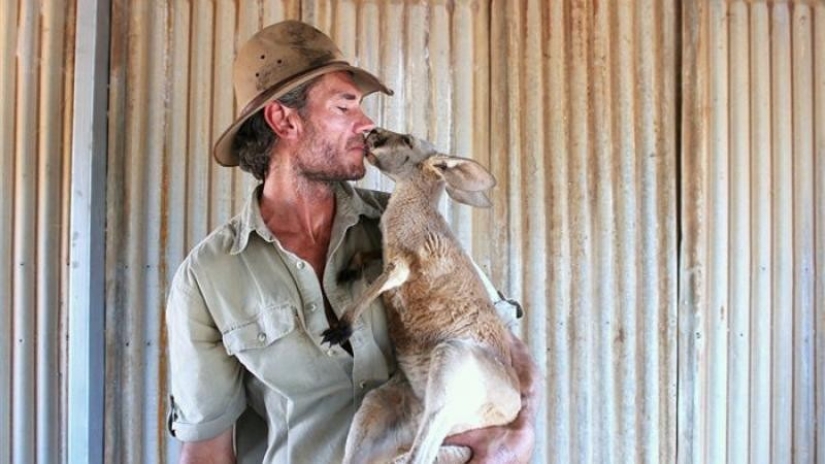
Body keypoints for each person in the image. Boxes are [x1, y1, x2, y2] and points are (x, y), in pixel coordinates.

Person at [165, 20, 538, 464]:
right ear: (284, 119)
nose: (366, 124)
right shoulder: (208, 277)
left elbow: (503, 341)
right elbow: (206, 448)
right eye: (345, 108)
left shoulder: (411, 224)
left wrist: (519, 437)